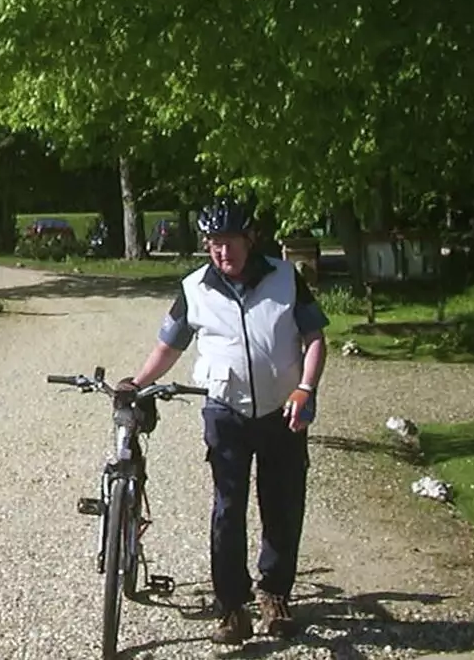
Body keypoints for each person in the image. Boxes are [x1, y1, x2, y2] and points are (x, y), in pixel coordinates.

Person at [116, 197, 327, 645]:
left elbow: (313, 336)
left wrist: (306, 388)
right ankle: (232, 608)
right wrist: (136, 382)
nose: (221, 252)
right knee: (228, 511)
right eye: (213, 243)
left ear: (250, 240)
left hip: (282, 411)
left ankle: (275, 595)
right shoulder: (195, 288)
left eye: (229, 242)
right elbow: (169, 346)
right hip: (226, 411)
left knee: (283, 506)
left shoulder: (287, 278)